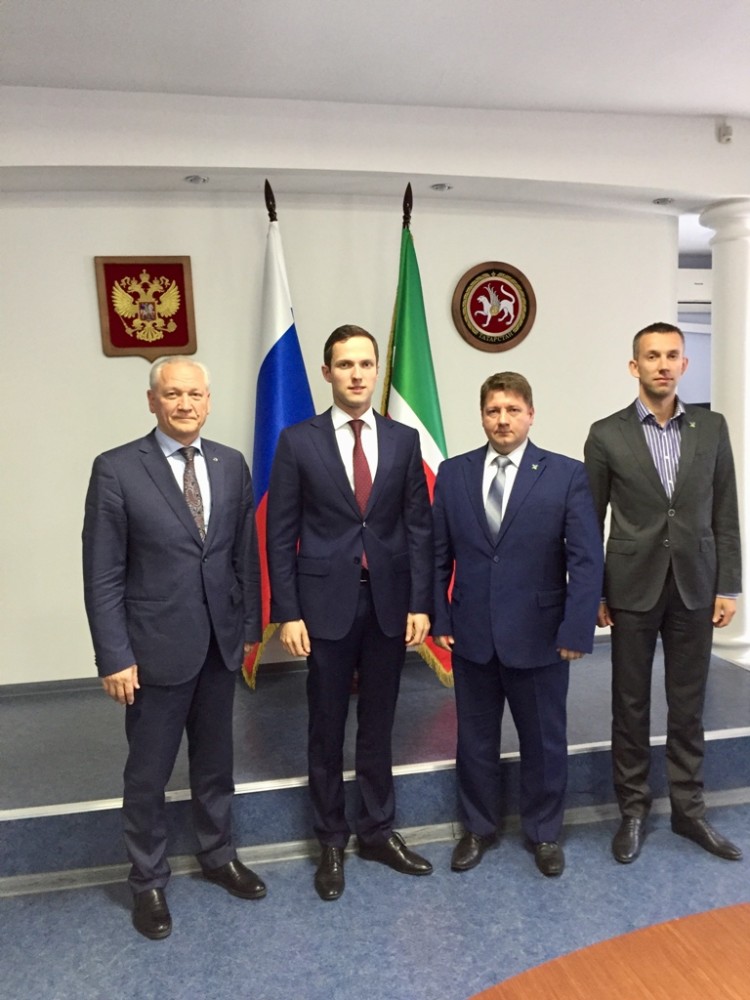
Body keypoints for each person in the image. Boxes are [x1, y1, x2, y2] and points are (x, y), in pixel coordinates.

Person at [82, 356, 266, 940]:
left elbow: (242, 556)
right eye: (172, 394)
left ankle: (218, 855)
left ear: (208, 401)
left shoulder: (231, 464)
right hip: (152, 650)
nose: (185, 404)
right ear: (152, 401)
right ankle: (148, 881)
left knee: (215, 765)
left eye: (195, 394)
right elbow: (102, 573)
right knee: (148, 774)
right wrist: (114, 655)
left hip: (219, 645)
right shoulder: (116, 469)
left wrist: (249, 629)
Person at [267, 324, 434, 900]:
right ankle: (331, 840)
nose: (357, 374)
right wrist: (287, 612)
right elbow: (279, 533)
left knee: (380, 723)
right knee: (326, 725)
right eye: (345, 365)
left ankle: (377, 831)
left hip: (388, 603)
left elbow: (418, 526)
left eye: (365, 364)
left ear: (377, 369)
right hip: (323, 607)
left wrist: (421, 602)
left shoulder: (403, 439)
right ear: (327, 373)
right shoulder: (298, 441)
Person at [584, 322, 742, 864]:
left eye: (672, 355)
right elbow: (590, 521)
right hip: (631, 587)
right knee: (629, 704)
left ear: (684, 364)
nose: (663, 364)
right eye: (652, 356)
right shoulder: (606, 434)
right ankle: (632, 810)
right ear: (635, 366)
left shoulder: (711, 427)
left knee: (689, 702)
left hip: (696, 583)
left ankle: (688, 810)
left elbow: (725, 510)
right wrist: (594, 594)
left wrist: (728, 584)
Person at [433, 372, 602, 877]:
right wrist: (440, 616)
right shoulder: (453, 474)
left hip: (541, 635)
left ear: (530, 414)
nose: (502, 420)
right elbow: (437, 554)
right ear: (482, 416)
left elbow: (586, 559)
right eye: (493, 411)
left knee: (544, 741)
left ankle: (544, 832)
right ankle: (477, 828)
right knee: (474, 740)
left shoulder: (565, 474)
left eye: (512, 410)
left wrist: (576, 629)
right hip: (471, 634)